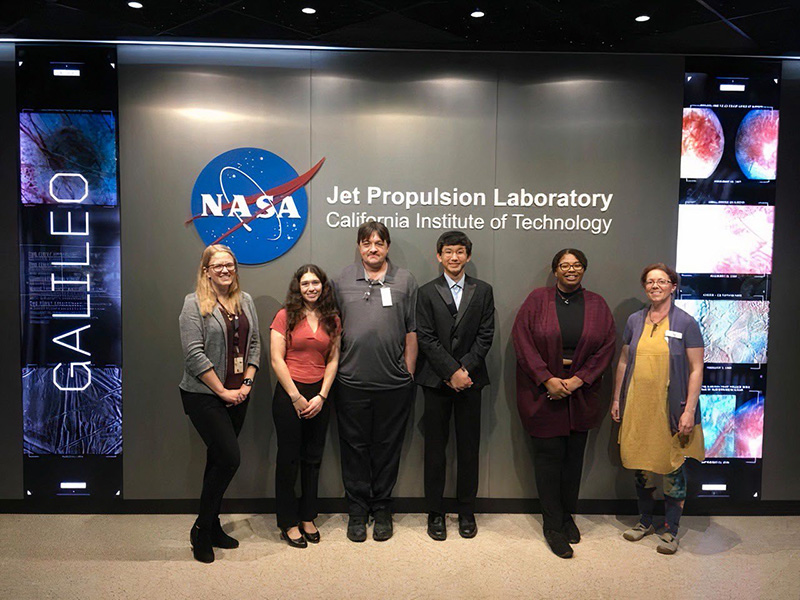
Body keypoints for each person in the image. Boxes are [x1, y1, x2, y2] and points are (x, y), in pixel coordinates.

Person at [512, 249, 616, 559]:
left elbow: (607, 347)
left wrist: (578, 380)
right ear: (555, 270)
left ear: (584, 269)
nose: (570, 270)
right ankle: (552, 526)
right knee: (548, 461)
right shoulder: (536, 300)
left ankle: (568, 515)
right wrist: (547, 379)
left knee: (573, 462)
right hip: (543, 392)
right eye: (564, 265)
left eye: (577, 265)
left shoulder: (598, 304)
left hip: (581, 393)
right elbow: (523, 342)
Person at [333, 221, 418, 542]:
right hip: (350, 382)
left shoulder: (406, 280)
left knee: (386, 449)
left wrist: (408, 372)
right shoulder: (341, 280)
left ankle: (382, 508)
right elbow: (332, 330)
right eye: (367, 243)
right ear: (359, 246)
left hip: (394, 385)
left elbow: (412, 331)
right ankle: (357, 510)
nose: (373, 248)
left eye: (379, 243)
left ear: (387, 247)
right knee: (353, 449)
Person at [611, 263, 705, 555]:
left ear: (673, 286)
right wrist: (616, 399)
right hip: (639, 406)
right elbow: (624, 361)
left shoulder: (687, 323)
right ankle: (644, 522)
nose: (655, 286)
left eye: (662, 281)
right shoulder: (634, 320)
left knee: (673, 468)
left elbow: (696, 369)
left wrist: (689, 410)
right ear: (644, 286)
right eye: (650, 281)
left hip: (672, 409)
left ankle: (671, 530)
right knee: (642, 467)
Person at [179, 244, 260, 564]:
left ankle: (211, 525)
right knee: (229, 457)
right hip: (203, 395)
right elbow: (193, 354)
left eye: (230, 265)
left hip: (239, 393)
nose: (225, 270)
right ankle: (200, 528)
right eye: (218, 265)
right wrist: (223, 391)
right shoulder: (193, 303)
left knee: (217, 461)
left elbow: (254, 345)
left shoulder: (246, 301)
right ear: (206, 270)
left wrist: (247, 384)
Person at [416, 231, 495, 541]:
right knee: (434, 450)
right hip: (436, 382)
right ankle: (435, 512)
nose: (454, 257)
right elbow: (425, 336)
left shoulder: (484, 291)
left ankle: (466, 510)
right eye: (448, 252)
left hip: (471, 381)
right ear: (439, 256)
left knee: (468, 449)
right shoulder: (425, 292)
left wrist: (465, 369)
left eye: (460, 252)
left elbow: (486, 335)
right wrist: (451, 371)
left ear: (468, 256)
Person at [270, 265, 340, 548]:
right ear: (298, 287)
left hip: (319, 394)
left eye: (316, 283)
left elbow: (334, 359)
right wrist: (296, 396)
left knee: (313, 458)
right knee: (288, 459)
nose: (311, 288)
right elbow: (276, 359)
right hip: (289, 394)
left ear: (323, 286)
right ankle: (288, 521)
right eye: (305, 283)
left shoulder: (332, 319)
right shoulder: (285, 315)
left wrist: (322, 395)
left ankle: (308, 516)